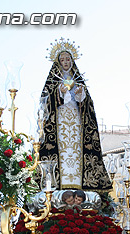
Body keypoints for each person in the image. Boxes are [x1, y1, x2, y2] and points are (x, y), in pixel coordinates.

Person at [39, 38, 112, 195]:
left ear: (72, 61)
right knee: (62, 153)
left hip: (77, 122)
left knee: (76, 151)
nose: (65, 62)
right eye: (62, 59)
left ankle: (80, 188)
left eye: (68, 59)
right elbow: (44, 102)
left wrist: (81, 95)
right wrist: (59, 92)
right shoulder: (52, 82)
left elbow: (88, 105)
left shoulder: (79, 80)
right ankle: (57, 188)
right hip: (59, 122)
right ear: (58, 62)